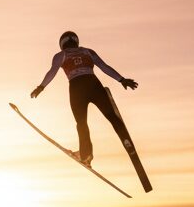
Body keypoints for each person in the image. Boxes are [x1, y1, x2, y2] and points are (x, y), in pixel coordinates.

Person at [30, 30, 138, 165]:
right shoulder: (88, 52)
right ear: (76, 41)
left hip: (76, 88)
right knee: (111, 116)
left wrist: (41, 87)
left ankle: (86, 154)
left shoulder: (61, 55)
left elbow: (52, 71)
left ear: (62, 44)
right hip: (94, 84)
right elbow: (104, 67)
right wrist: (121, 80)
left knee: (81, 123)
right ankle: (126, 141)